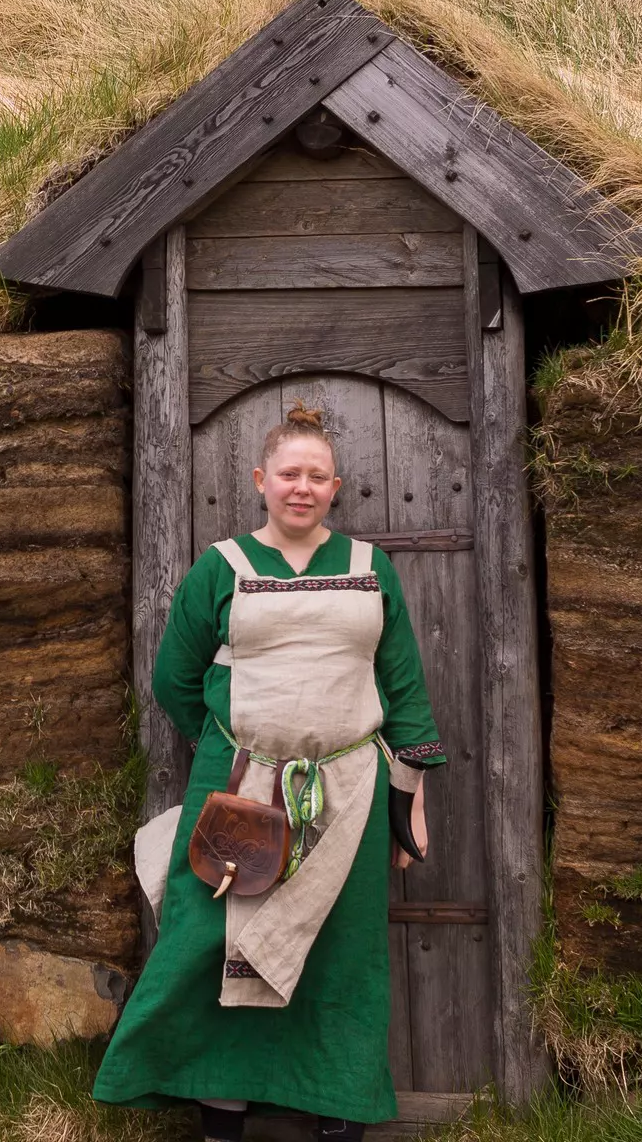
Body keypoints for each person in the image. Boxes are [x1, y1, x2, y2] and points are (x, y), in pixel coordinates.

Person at [93, 402, 445, 1141]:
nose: (302, 487)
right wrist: (235, 751)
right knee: (222, 939)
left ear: (336, 487)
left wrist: (410, 801)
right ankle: (222, 1107)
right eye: (289, 473)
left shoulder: (366, 567)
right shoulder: (222, 568)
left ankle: (336, 1107)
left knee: (339, 948)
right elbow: (174, 680)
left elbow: (404, 685)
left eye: (318, 477)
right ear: (261, 480)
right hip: (239, 788)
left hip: (349, 789)